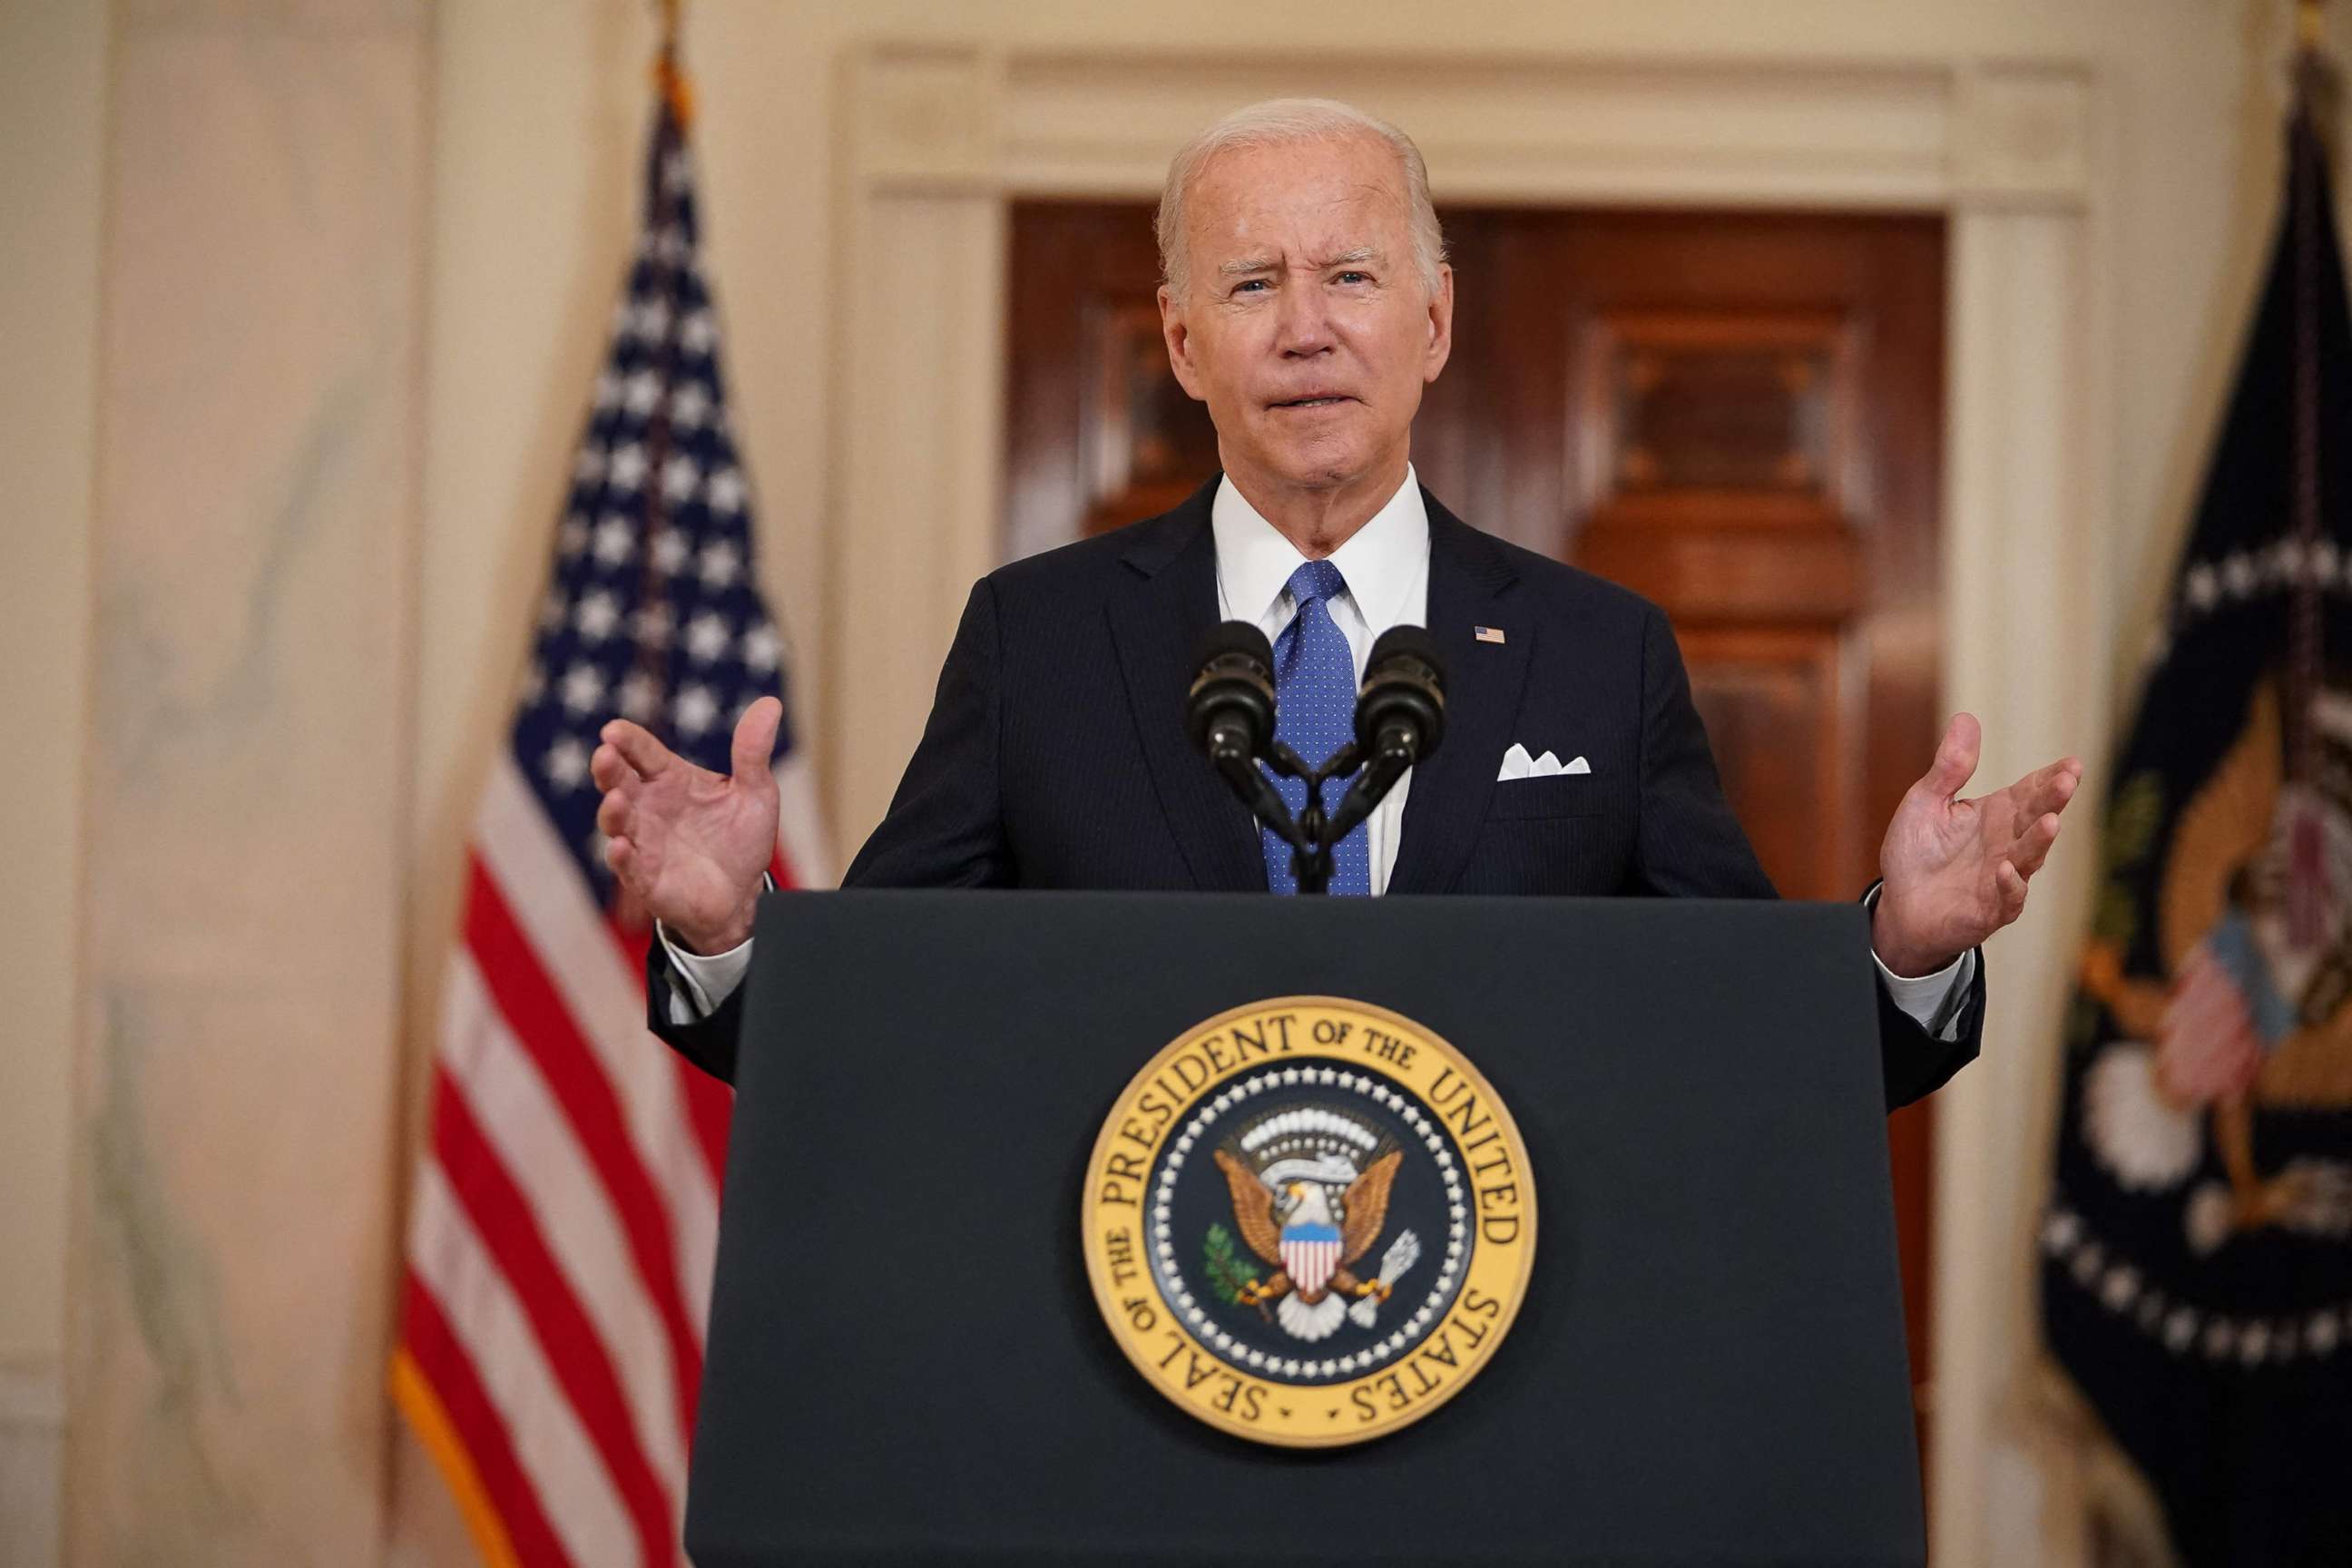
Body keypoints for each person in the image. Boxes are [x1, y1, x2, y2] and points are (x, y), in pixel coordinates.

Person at [590, 98, 2081, 1103]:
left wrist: (1906, 951)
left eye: (1350, 276)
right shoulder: (1037, 640)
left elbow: (1745, 1047)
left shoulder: (1595, 653)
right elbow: (885, 1026)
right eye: (1249, 287)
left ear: (1431, 322)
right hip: (1139, 1395)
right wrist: (729, 935)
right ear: (1181, 343)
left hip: (1495, 1407)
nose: (1304, 330)